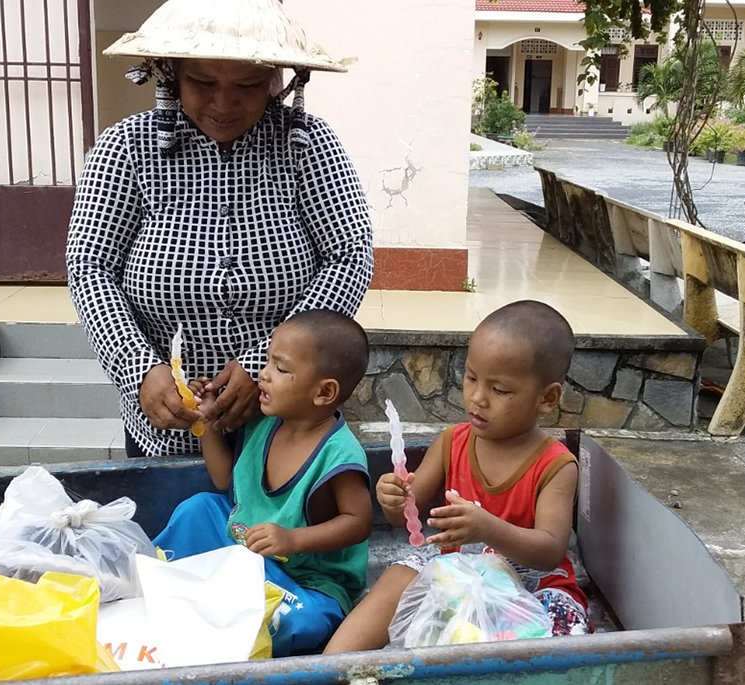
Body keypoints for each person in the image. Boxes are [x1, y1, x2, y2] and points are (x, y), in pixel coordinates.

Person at [66, 0, 374, 458]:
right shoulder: (126, 147)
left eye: (247, 85)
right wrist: (138, 369)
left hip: (288, 428)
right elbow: (90, 266)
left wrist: (265, 367)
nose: (224, 103)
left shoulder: (307, 144)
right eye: (203, 82)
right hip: (170, 426)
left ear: (276, 80)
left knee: (279, 529)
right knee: (182, 527)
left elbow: (349, 255)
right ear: (171, 73)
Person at [324, 300, 590, 653]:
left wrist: (488, 528)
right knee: (401, 574)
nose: (477, 397)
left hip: (529, 584)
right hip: (457, 572)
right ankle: (335, 664)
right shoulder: (453, 441)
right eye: (471, 377)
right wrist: (393, 497)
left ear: (547, 398)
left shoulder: (555, 465)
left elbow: (550, 551)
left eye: (499, 390)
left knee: (563, 630)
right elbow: (408, 517)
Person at [152, 309, 374, 656]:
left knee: (308, 621)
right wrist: (208, 421)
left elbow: (358, 522)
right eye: (268, 362)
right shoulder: (266, 422)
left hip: (305, 581)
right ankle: (165, 583)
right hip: (247, 547)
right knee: (198, 508)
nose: (263, 374)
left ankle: (219, 612)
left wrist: (293, 539)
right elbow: (226, 480)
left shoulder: (338, 454)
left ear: (324, 392)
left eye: (280, 368)